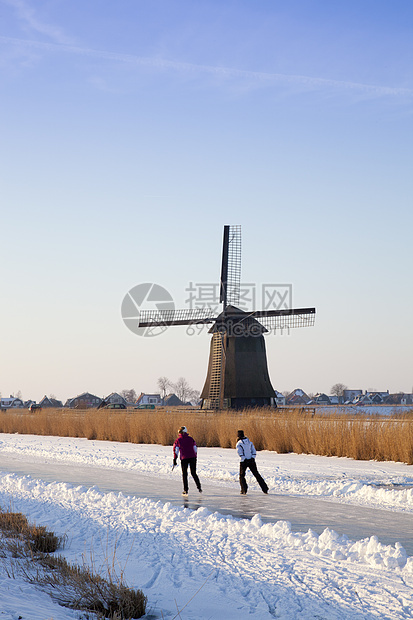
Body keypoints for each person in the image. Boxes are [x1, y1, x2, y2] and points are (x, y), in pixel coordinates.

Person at [236, 430, 268, 495]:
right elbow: (254, 451)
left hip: (243, 461)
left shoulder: (239, 443)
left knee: (242, 476)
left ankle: (244, 490)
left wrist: (244, 458)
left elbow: (240, 452)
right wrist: (252, 458)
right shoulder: (250, 442)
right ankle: (265, 489)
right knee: (256, 474)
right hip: (251, 461)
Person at [173, 426, 202, 496]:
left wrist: (175, 459)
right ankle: (199, 487)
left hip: (184, 458)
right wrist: (195, 456)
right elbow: (195, 448)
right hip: (193, 457)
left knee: (185, 474)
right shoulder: (191, 439)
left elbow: (175, 450)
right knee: (193, 473)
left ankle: (185, 490)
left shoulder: (178, 440)